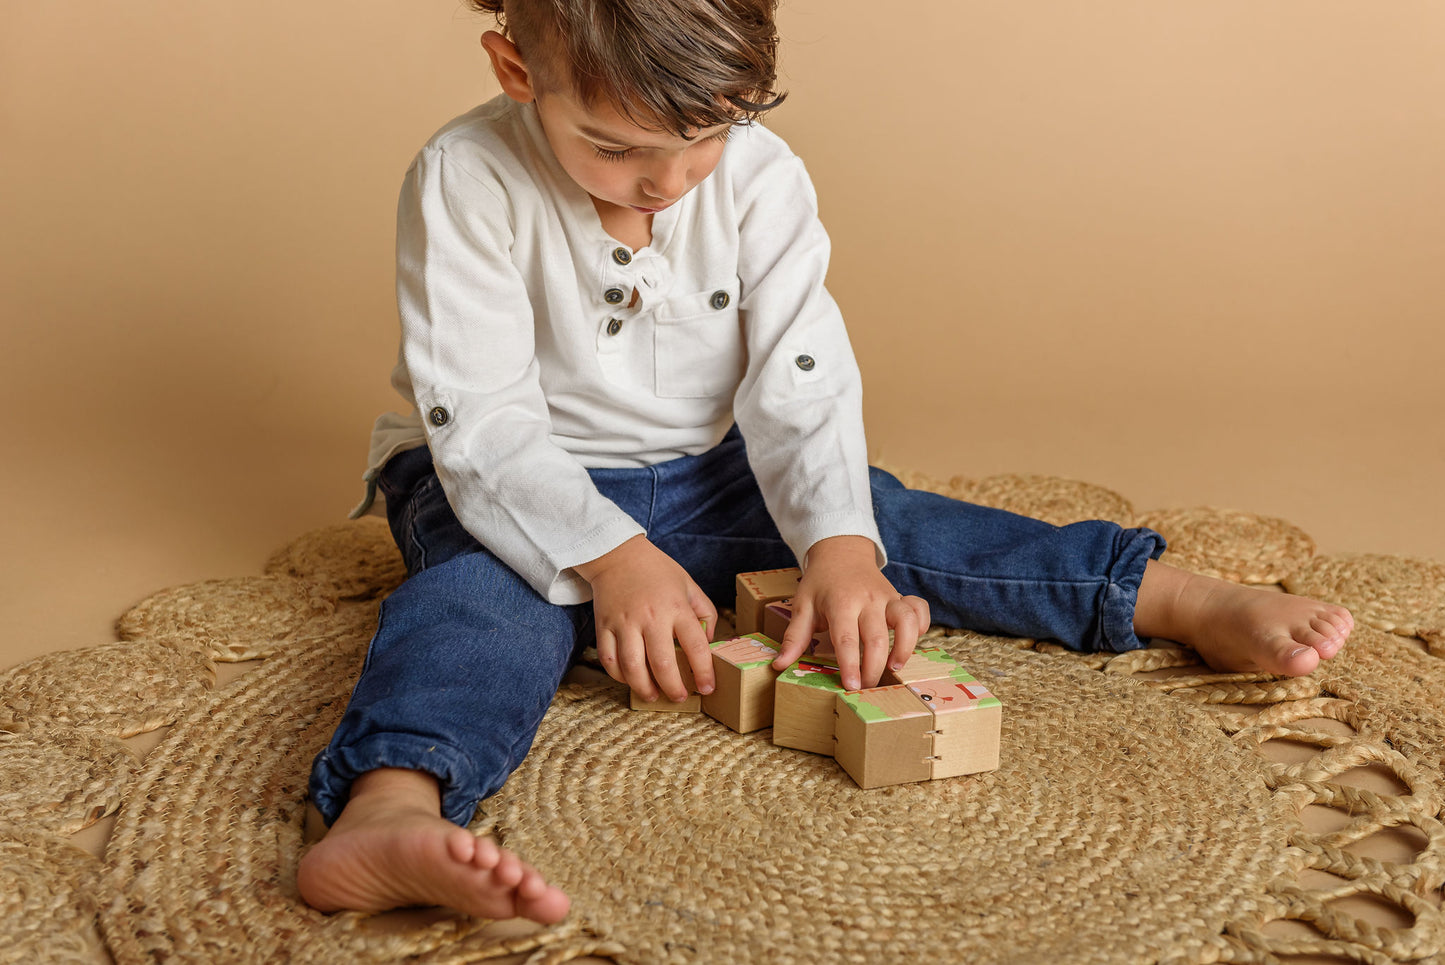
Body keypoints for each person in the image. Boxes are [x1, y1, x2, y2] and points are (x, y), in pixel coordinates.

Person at [296, 0, 1353, 924]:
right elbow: (479, 421)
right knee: (475, 603)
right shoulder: (464, 176)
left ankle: (1161, 593)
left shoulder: (757, 176)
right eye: (614, 147)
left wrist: (841, 547)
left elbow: (796, 382)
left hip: (713, 468)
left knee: (891, 523)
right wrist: (611, 558)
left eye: (702, 135)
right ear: (516, 72)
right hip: (500, 482)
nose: (664, 180)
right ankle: (391, 801)